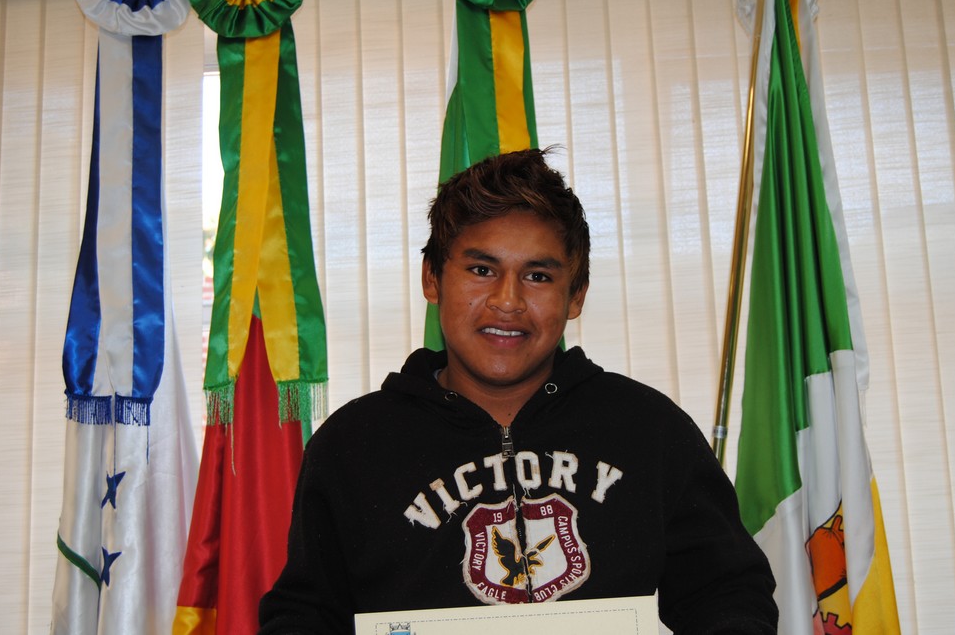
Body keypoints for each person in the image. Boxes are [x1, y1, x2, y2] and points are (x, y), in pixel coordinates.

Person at [258, 148, 777, 634]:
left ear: (576, 296)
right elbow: (306, 613)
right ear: (432, 279)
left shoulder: (649, 428)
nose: (507, 301)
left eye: (538, 276)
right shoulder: (353, 444)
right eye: (481, 270)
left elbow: (728, 592)